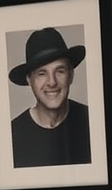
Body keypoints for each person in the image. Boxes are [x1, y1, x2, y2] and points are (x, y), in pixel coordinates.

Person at [9, 28, 91, 168]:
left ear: (71, 75)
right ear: (29, 80)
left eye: (60, 71)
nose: (52, 82)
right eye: (42, 73)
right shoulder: (12, 135)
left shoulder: (92, 122)